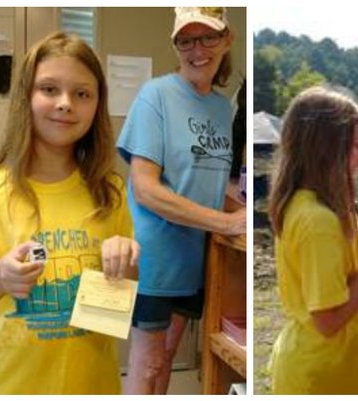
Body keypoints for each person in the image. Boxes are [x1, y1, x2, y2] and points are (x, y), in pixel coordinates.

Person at [0, 32, 138, 394]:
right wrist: (0, 276)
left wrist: (126, 263)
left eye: (82, 93)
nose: (65, 103)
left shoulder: (109, 191)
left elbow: (118, 301)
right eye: (49, 89)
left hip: (95, 386)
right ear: (25, 98)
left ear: (97, 105)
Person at [116, 7, 246, 394]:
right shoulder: (155, 95)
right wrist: (225, 223)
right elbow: (146, 188)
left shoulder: (225, 109)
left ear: (227, 40)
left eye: (207, 37)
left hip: (195, 259)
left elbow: (207, 181)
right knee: (148, 366)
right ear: (176, 46)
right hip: (154, 257)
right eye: (186, 41)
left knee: (167, 359)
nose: (197, 50)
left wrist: (244, 214)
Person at [267, 86, 358, 394]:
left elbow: (331, 275)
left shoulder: (308, 208)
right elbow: (328, 321)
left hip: (334, 371)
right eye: (356, 146)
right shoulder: (317, 221)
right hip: (322, 378)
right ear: (326, 149)